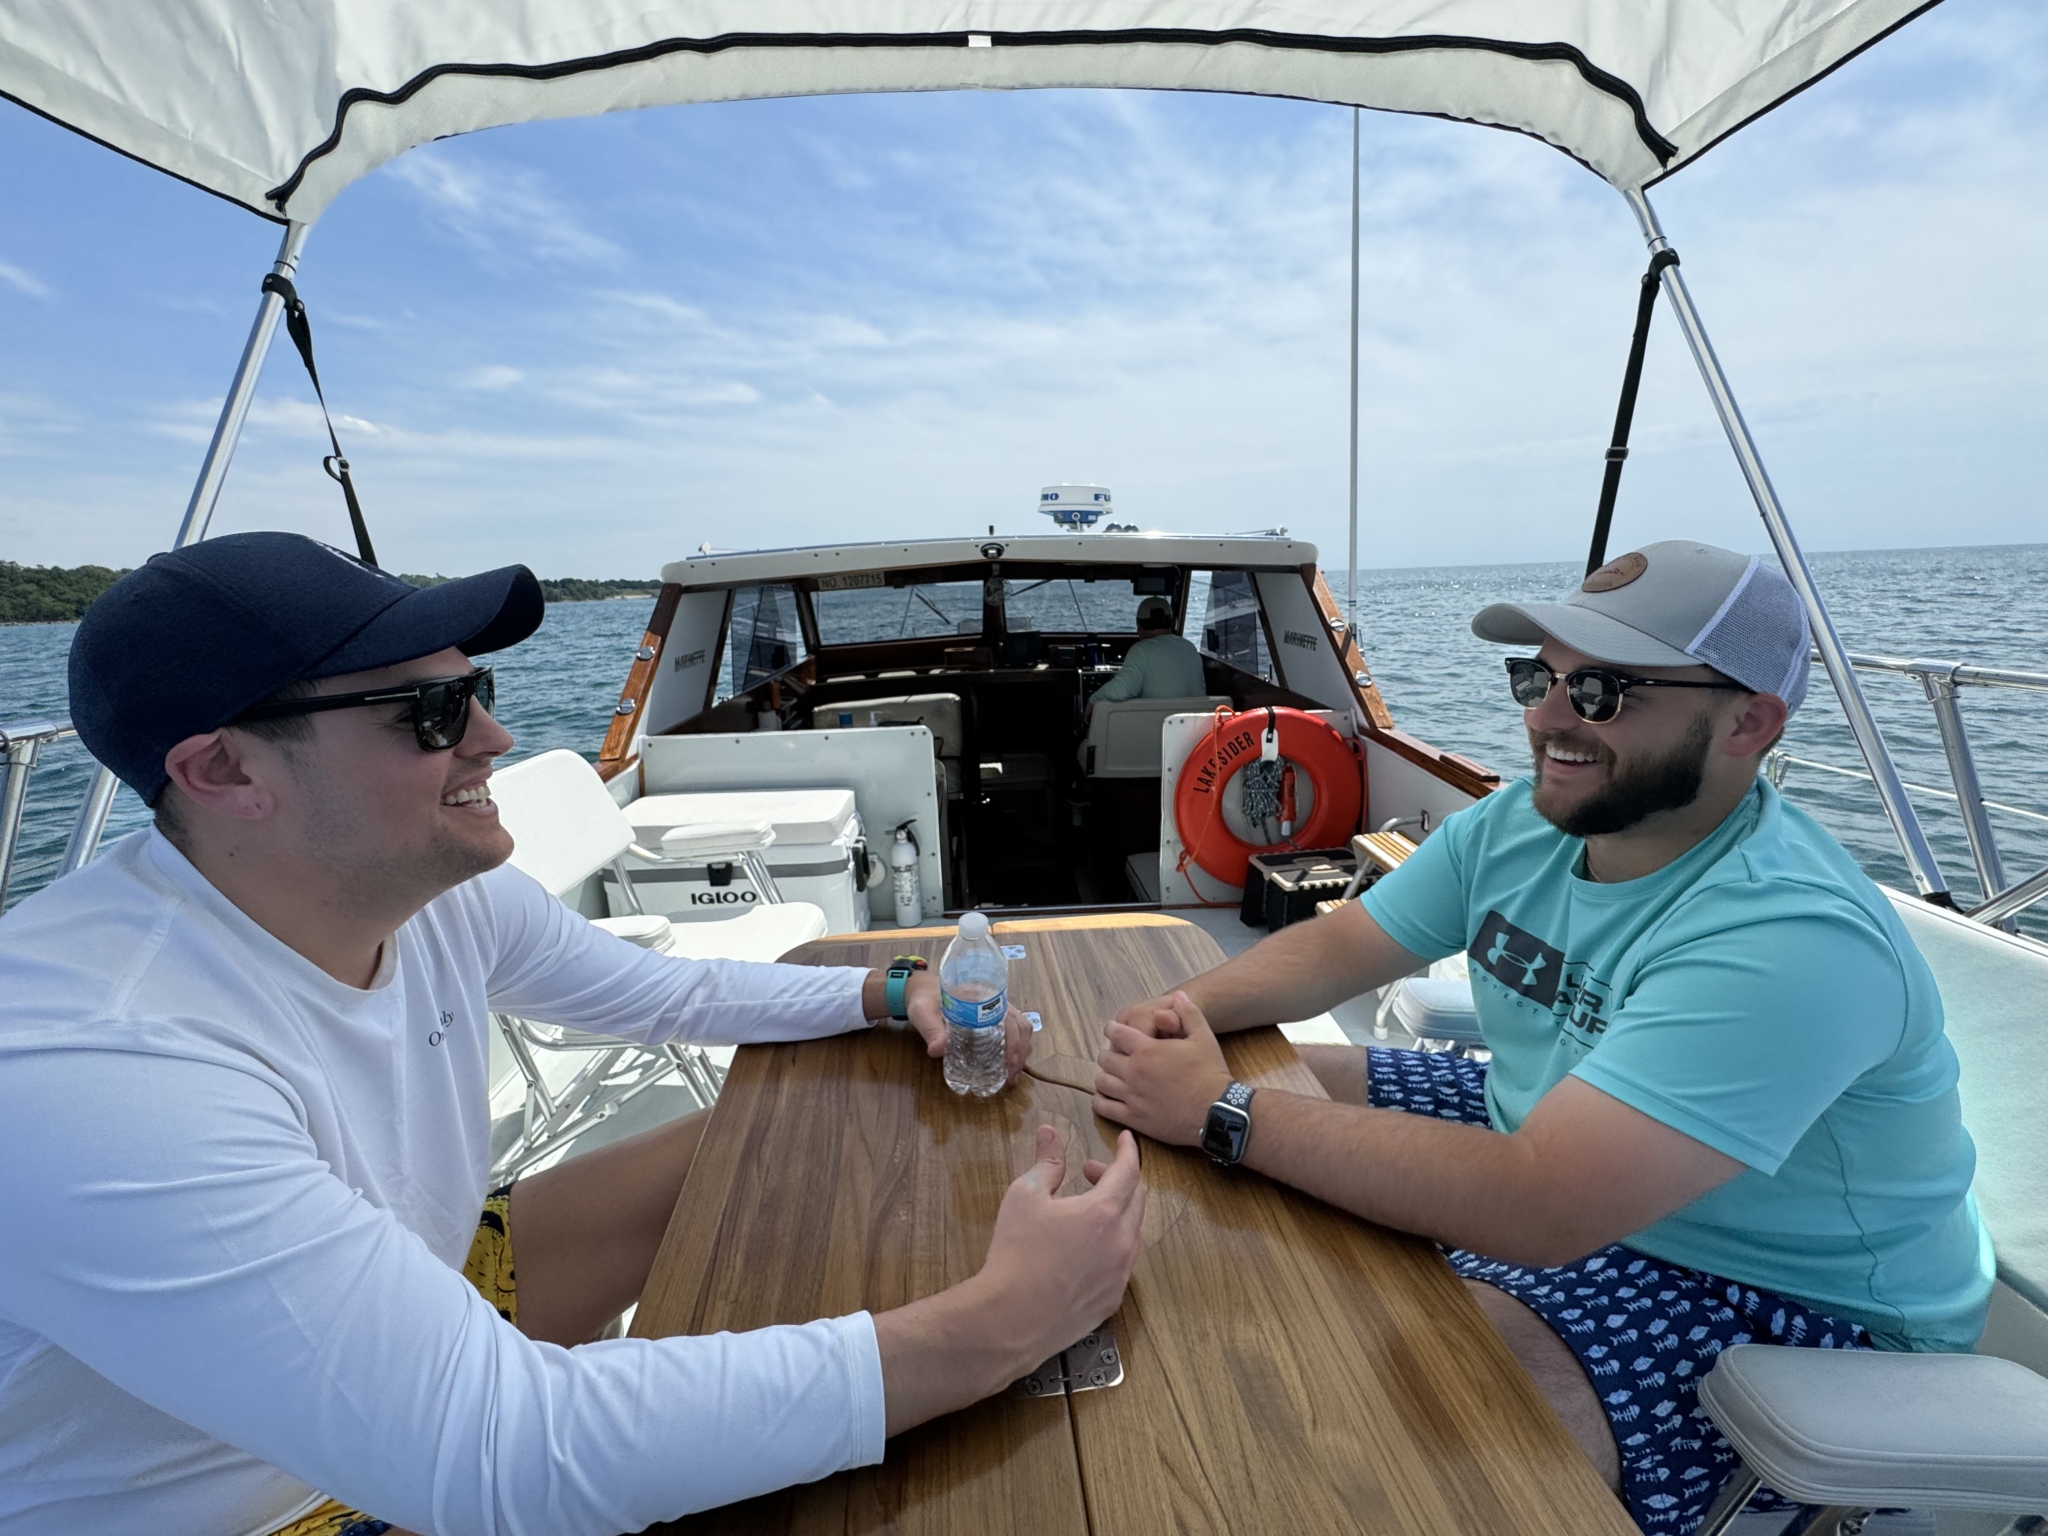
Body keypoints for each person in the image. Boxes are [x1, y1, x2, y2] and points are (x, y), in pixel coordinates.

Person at [0, 533, 1146, 1536]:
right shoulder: (91, 1067)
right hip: (257, 1508)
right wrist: (1003, 1323)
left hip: (430, 1300)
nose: (493, 736)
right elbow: (499, 1453)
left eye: (476, 688)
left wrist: (893, 995)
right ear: (223, 770)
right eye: (431, 712)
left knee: (768, 1124)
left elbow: (668, 998)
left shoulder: (430, 897)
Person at [1092, 541, 1992, 1536]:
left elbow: (1541, 1205)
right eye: (1540, 677)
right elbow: (1341, 948)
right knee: (1266, 1070)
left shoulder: (1787, 938)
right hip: (1554, 1125)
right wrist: (1170, 1018)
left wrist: (1219, 1113)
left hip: (1783, 1296)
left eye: (1603, 691)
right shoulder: (1524, 822)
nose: (1546, 718)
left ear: (1749, 723)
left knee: (1413, 1392)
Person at [1084, 595, 1205, 719]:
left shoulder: (1141, 650)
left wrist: (1093, 700)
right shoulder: (1190, 647)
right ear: (1172, 623)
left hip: (1157, 726)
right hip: (1192, 727)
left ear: (1139, 626)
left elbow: (1119, 691)